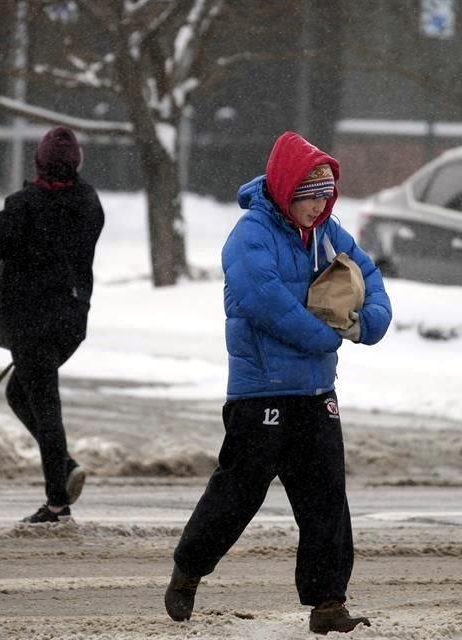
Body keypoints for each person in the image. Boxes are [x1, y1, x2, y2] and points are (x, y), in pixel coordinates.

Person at [165, 131, 392, 634]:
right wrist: (324, 337)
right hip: (261, 392)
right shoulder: (251, 234)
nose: (318, 208)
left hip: (315, 393)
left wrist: (368, 321)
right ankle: (189, 569)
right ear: (287, 189)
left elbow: (370, 277)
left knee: (326, 497)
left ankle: (328, 603)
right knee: (239, 493)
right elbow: (261, 299)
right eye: (310, 197)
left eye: (325, 197)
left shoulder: (330, 234)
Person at [0, 126, 105, 524]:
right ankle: (64, 468)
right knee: (21, 392)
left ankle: (57, 502)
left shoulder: (25, 204)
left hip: (31, 322)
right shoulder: (88, 203)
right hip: (71, 321)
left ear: (39, 162)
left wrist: (18, 207)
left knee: (45, 406)